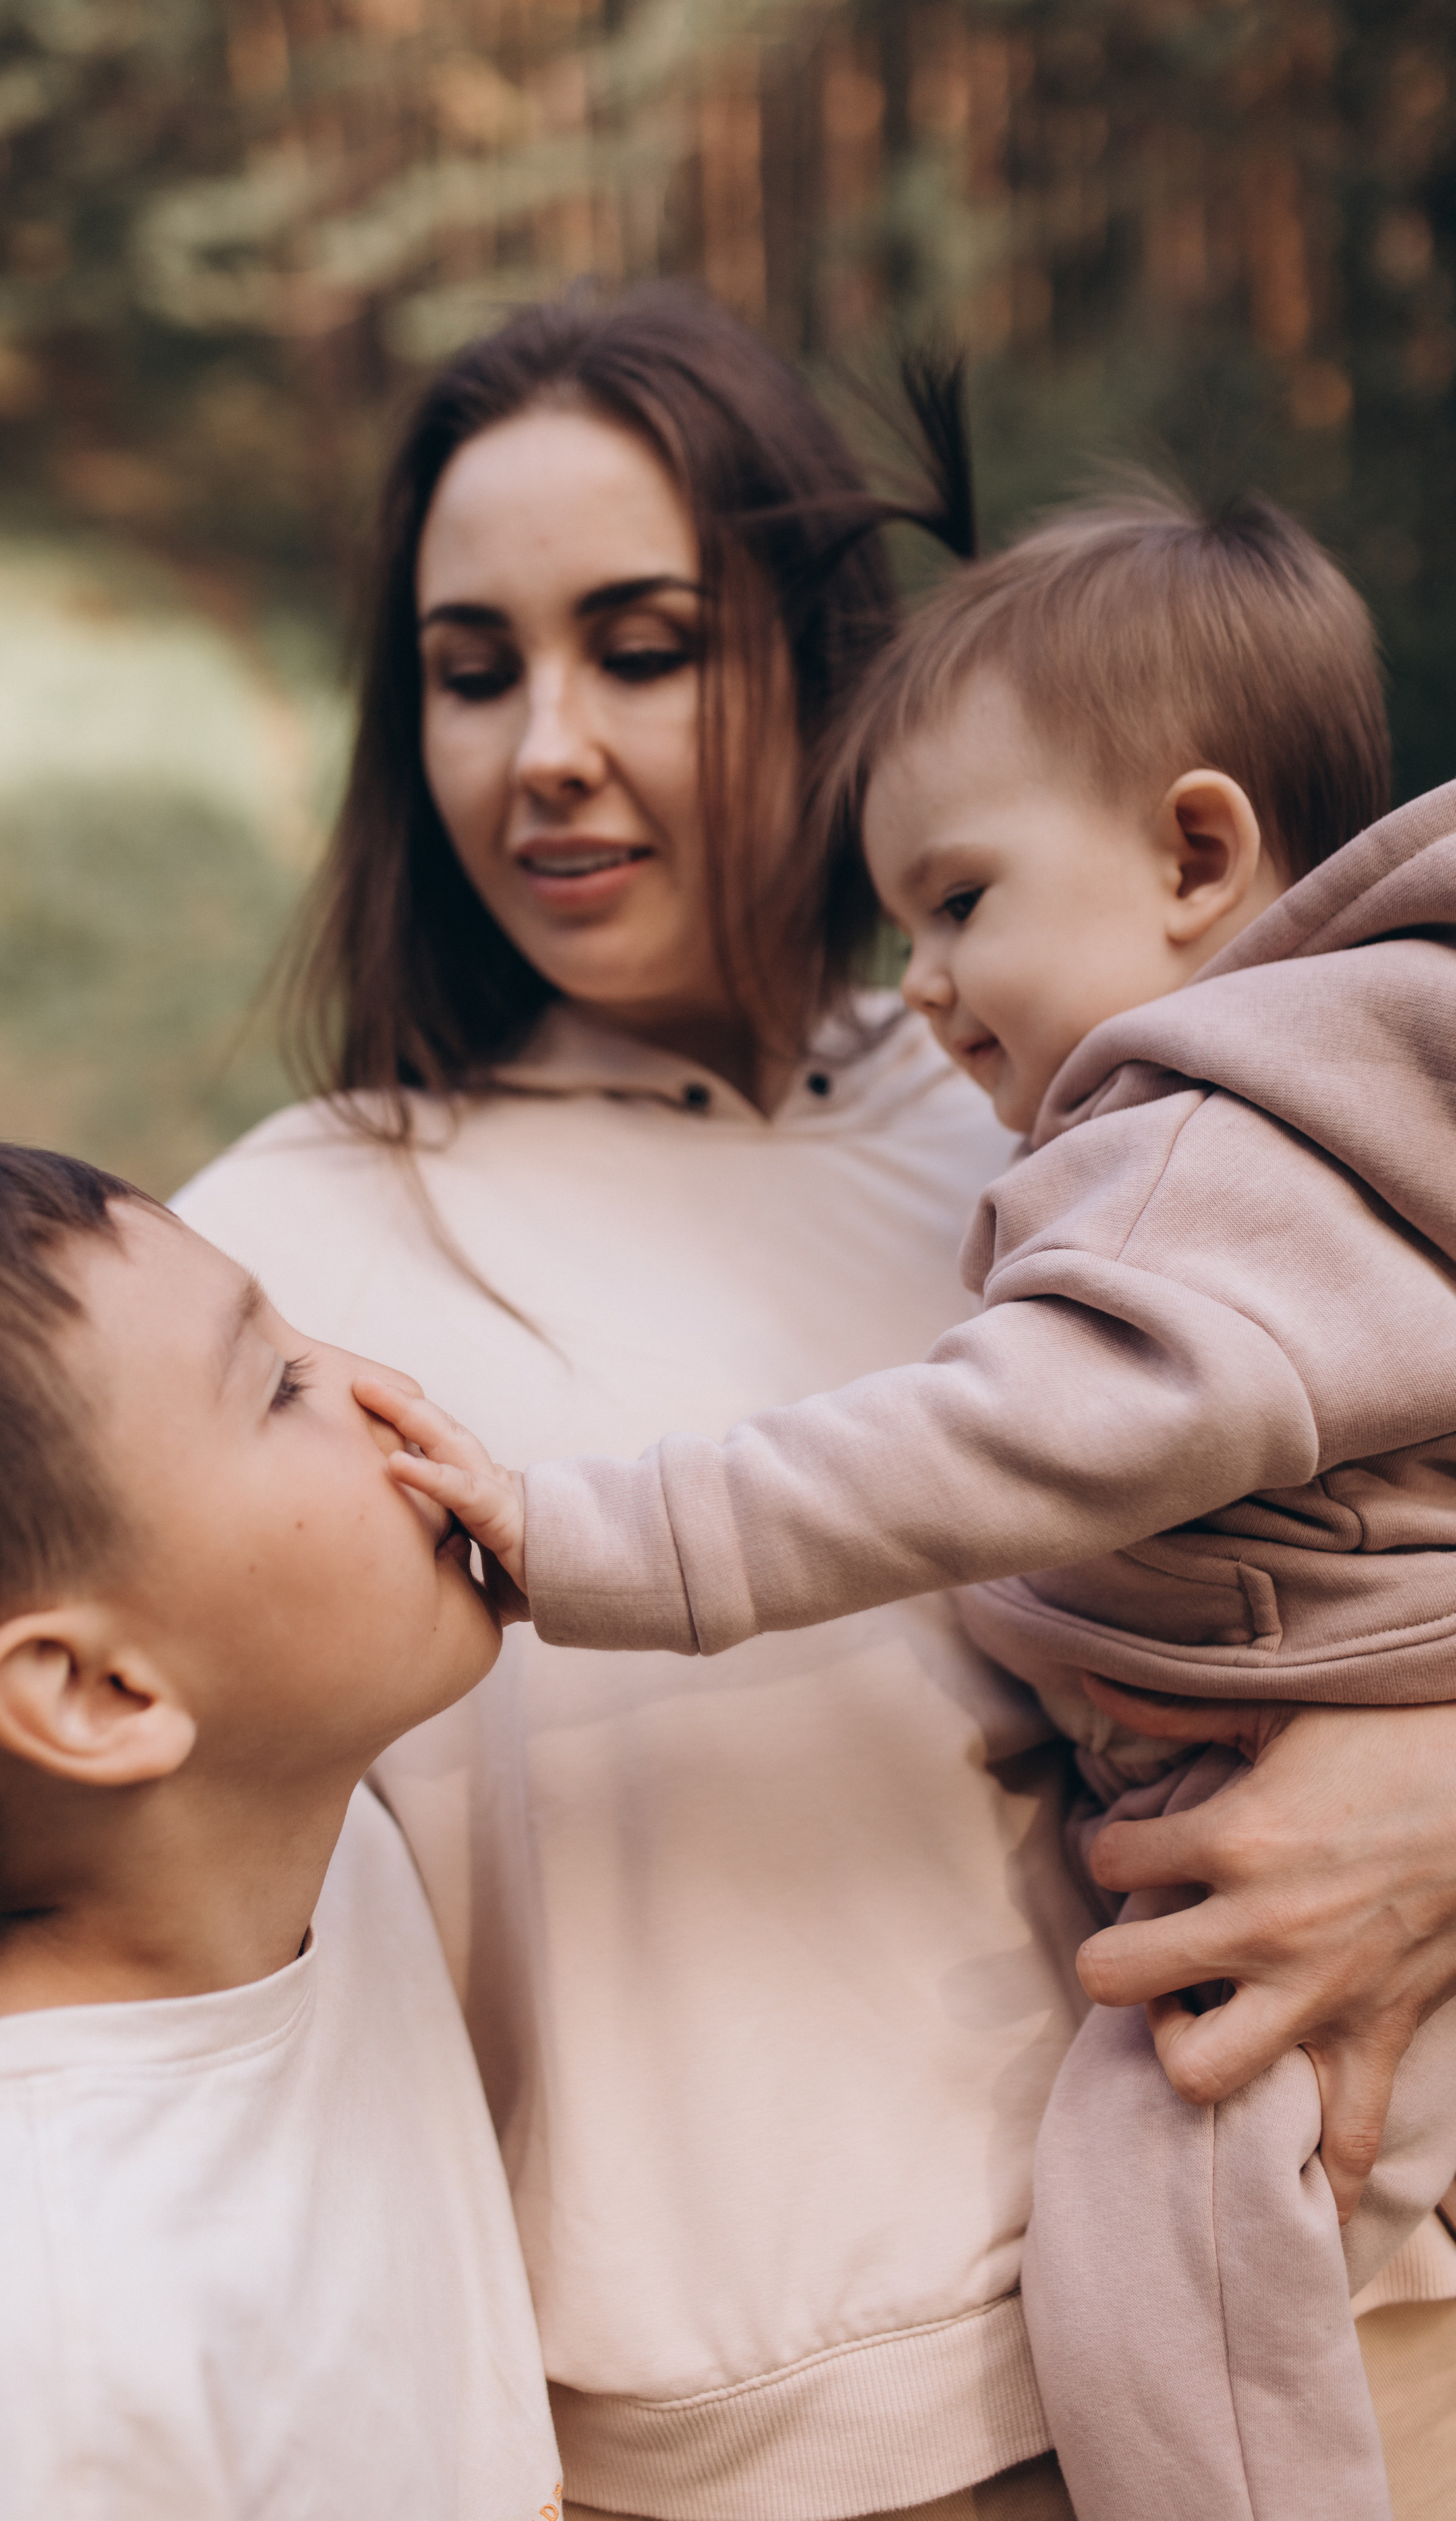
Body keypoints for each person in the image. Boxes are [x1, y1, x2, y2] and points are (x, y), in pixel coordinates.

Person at [0, 289, 1456, 2518]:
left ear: (828, 662)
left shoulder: (1076, 1115)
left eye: (641, 644)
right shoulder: (289, 1259)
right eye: (473, 672)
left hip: (1333, 2326)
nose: (544, 742)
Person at [375, 486, 1456, 2521]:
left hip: (1251, 1968)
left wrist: (597, 1532)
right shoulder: (1363, 1085)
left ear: (1197, 853)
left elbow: (979, 1443)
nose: (933, 989)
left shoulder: (1173, 1161)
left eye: (960, 904)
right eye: (466, 665)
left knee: (1165, 2247)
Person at [0, 1139, 561, 2521]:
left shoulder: (304, 1852)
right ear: (98, 1692)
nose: (381, 1383)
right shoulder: (6, 2351)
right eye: (279, 1384)